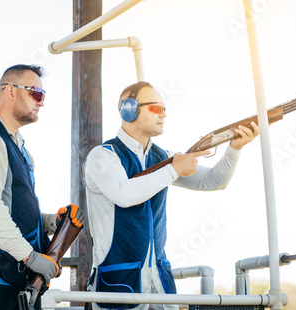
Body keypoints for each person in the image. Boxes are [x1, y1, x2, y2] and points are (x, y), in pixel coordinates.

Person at [83, 81, 259, 310]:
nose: (164, 114)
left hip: (160, 284)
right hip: (118, 285)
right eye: (156, 108)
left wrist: (234, 148)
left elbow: (214, 181)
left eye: (164, 107)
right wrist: (175, 169)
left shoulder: (163, 157)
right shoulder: (103, 155)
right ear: (129, 109)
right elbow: (123, 194)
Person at [0, 64, 83, 309]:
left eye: (43, 96)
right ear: (10, 92)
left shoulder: (20, 147)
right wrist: (32, 257)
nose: (41, 102)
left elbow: (14, 208)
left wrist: (52, 221)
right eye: (36, 93)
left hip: (17, 278)